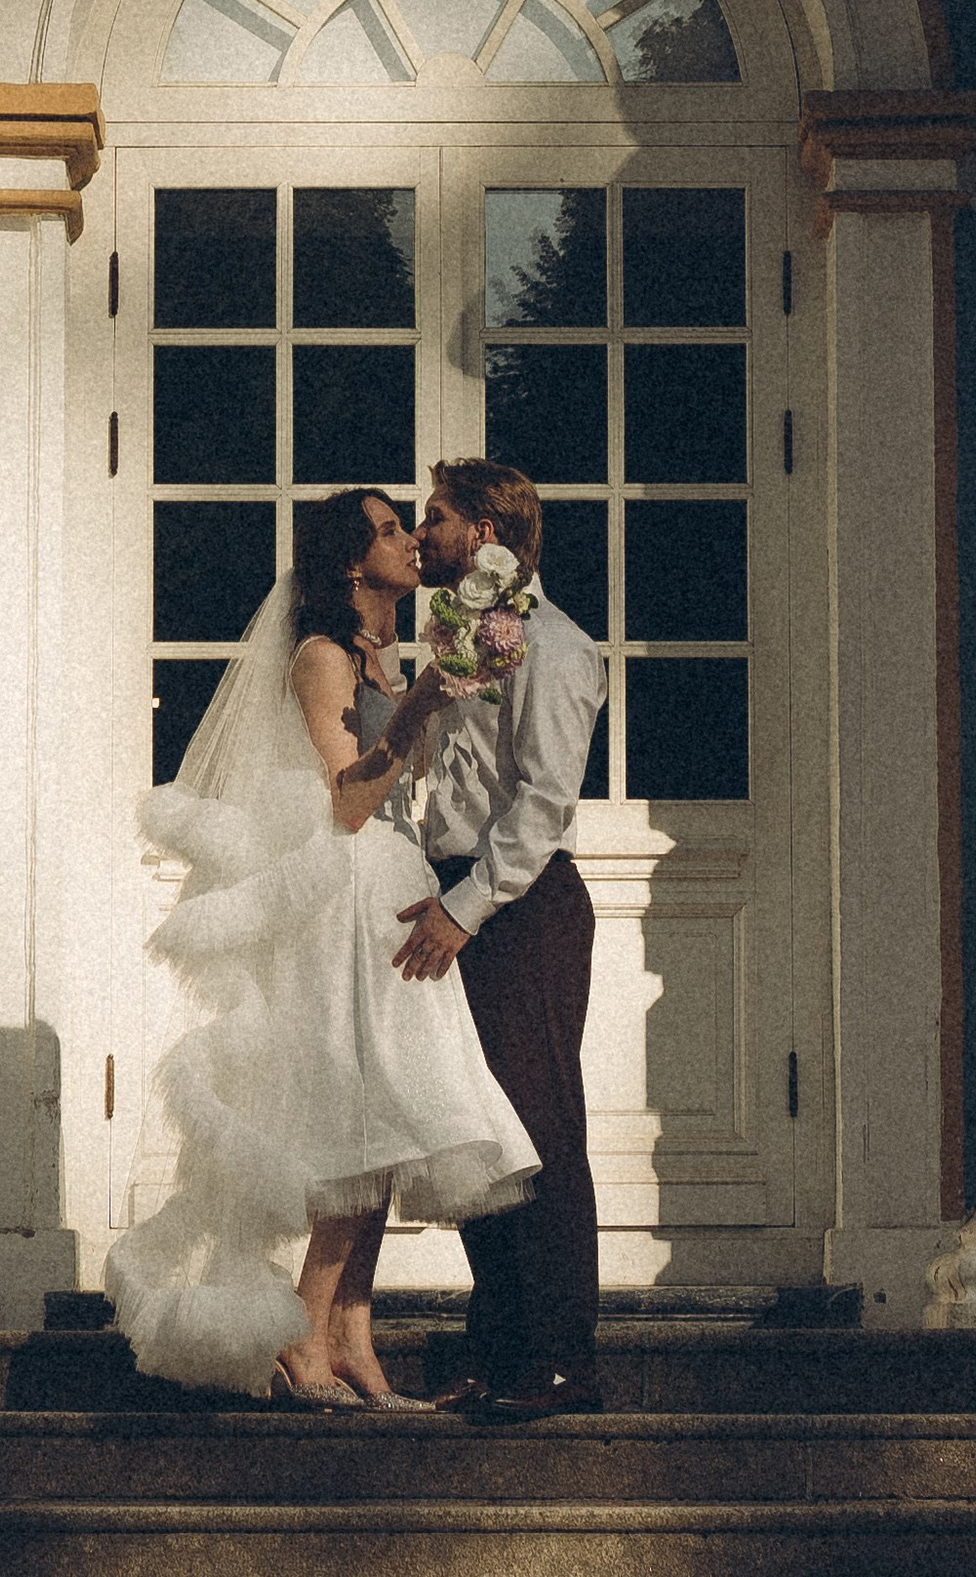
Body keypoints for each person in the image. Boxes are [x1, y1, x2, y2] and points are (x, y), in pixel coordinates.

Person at [105, 486, 536, 1405]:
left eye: (404, 528)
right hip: (344, 893)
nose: (409, 544)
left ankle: (352, 1337)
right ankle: (304, 1332)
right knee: (361, 1114)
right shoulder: (321, 659)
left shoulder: (378, 662)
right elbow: (344, 800)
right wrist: (418, 707)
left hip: (395, 883)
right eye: (387, 532)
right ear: (350, 563)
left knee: (392, 1118)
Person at [404, 455, 608, 1420]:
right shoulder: (462, 640)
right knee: (480, 1137)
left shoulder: (555, 645)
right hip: (456, 902)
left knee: (539, 1133)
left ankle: (562, 1358)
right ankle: (496, 1353)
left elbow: (542, 803)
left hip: (518, 911)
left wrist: (464, 907)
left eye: (434, 517)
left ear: (487, 530)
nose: (420, 534)